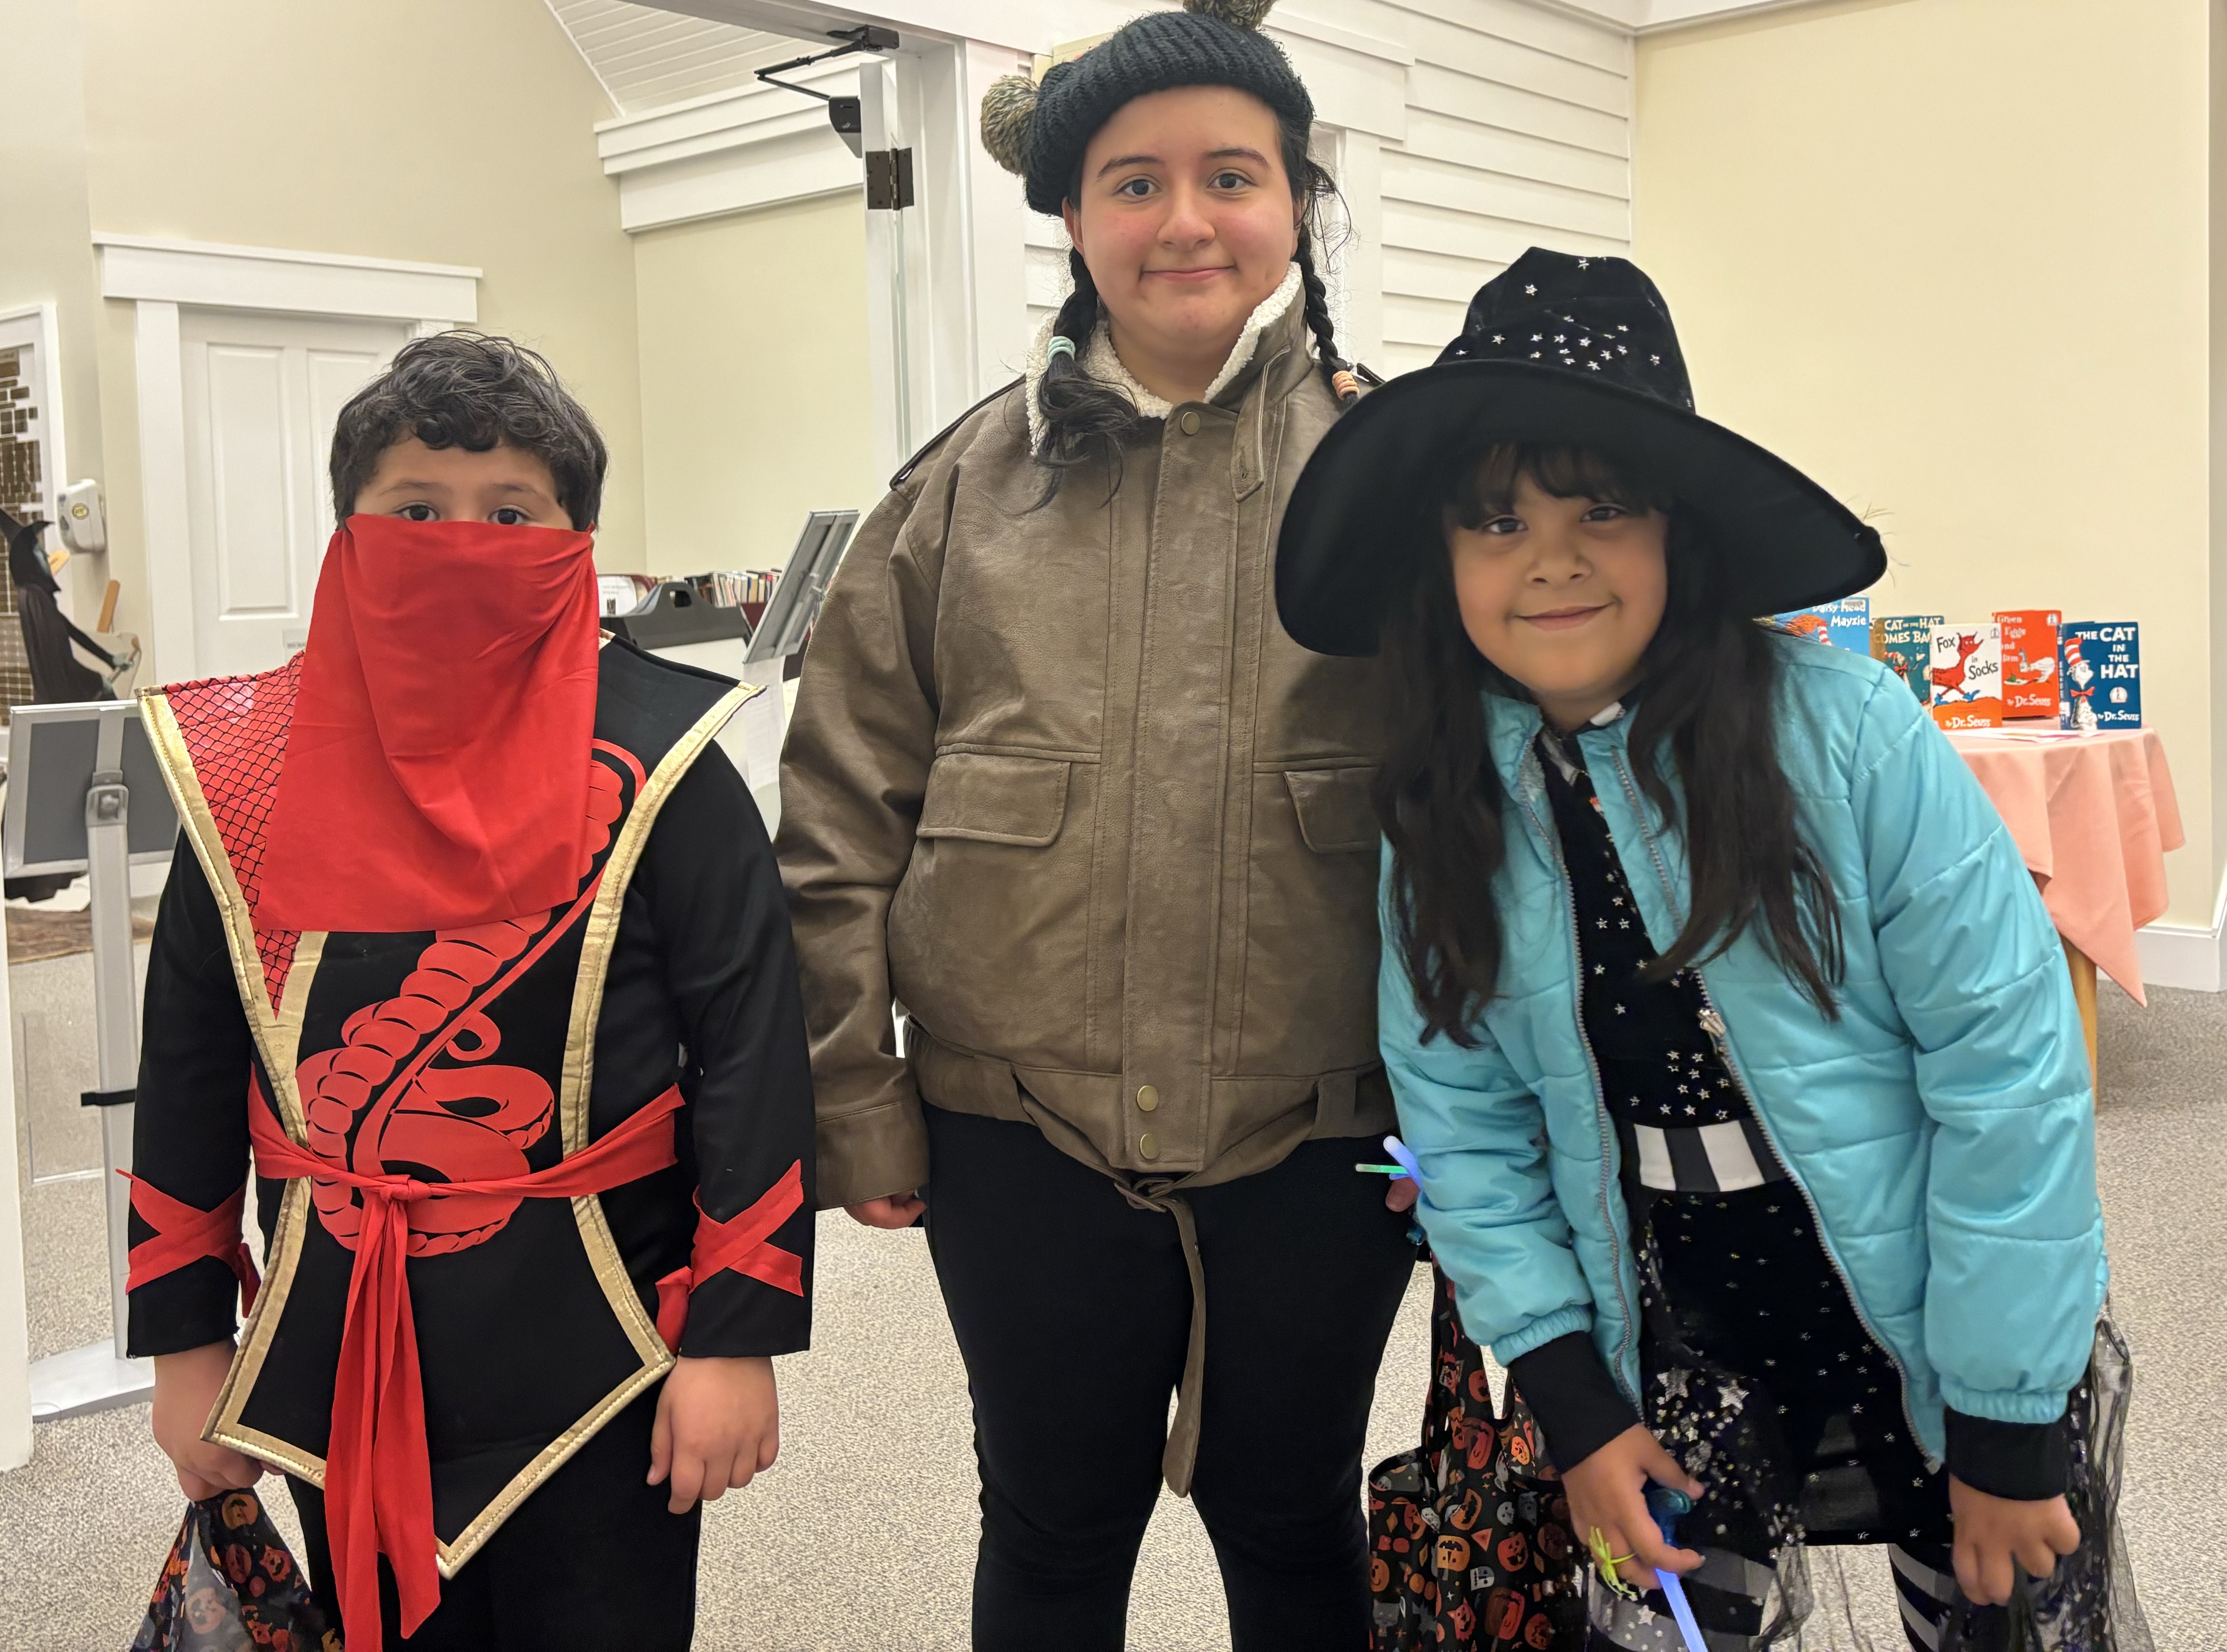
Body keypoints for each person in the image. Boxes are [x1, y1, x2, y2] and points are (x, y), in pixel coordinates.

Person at [1274, 249, 2143, 1649]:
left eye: (1600, 509)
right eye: (1496, 521)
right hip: (1668, 1320)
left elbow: (2006, 1072)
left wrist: (2003, 1415)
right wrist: (1573, 1400)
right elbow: (1465, 1120)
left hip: (1919, 1300)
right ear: (1442, 562)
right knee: (1682, 1615)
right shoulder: (1443, 801)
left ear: (1679, 531)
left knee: (1987, 1606)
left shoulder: (1850, 738)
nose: (1551, 558)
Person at [776, 2, 1417, 1646]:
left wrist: (1490, 1135)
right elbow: (839, 814)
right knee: (1051, 1523)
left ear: (1296, 203)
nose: (1185, 219)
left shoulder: (1397, 475)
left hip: (1325, 1135)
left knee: (1293, 1511)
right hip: (1016, 1136)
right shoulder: (954, 493)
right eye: (1134, 183)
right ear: (1072, 217)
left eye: (1231, 176)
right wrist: (856, 1099)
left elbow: (1488, 824)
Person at [125, 333, 816, 1652]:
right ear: (347, 530)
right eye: (415, 509)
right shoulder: (246, 773)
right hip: (337, 1340)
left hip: (610, 1350)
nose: (461, 545)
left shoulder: (668, 759)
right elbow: (191, 1071)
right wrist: (185, 1341)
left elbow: (751, 1055)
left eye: (511, 514)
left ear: (578, 541)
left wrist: (736, 1336)